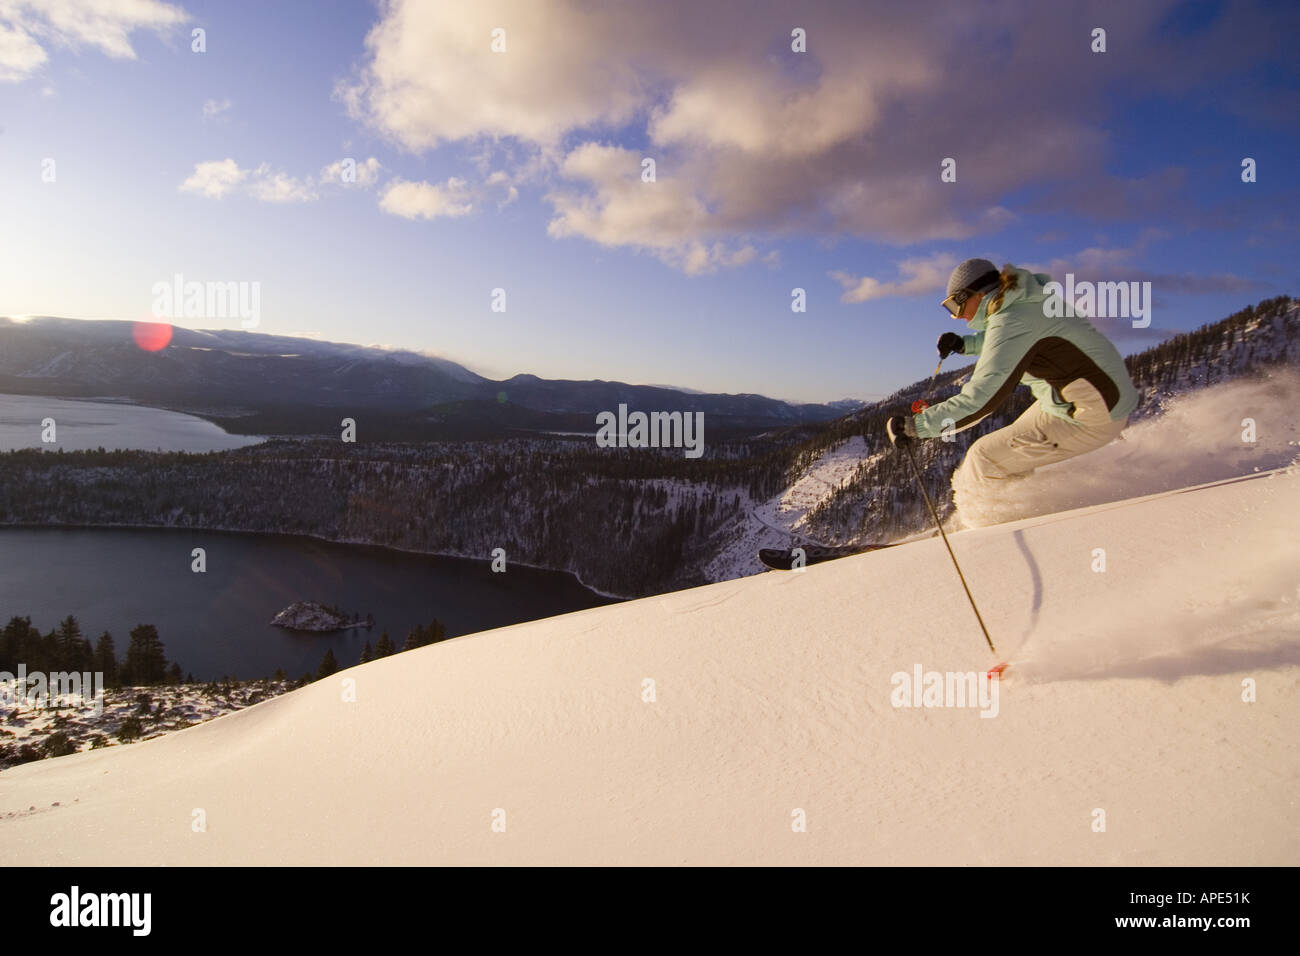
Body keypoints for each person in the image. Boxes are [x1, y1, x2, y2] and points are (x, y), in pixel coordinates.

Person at [885, 258, 1139, 526]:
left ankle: (994, 534)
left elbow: (982, 398)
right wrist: (966, 344)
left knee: (983, 460)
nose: (958, 315)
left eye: (955, 305)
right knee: (1004, 456)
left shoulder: (1011, 319)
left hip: (1091, 414)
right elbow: (1013, 338)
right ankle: (1014, 514)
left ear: (977, 295)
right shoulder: (1026, 303)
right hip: (1086, 399)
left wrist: (918, 426)